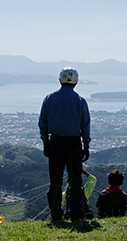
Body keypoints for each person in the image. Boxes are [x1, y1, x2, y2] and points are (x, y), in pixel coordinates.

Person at [38, 67, 91, 221]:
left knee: (55, 181)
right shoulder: (80, 101)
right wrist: (86, 145)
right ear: (76, 81)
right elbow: (85, 126)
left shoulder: (49, 98)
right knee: (75, 181)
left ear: (60, 79)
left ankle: (56, 214)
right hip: (74, 144)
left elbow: (42, 122)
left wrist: (45, 142)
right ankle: (75, 213)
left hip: (55, 142)